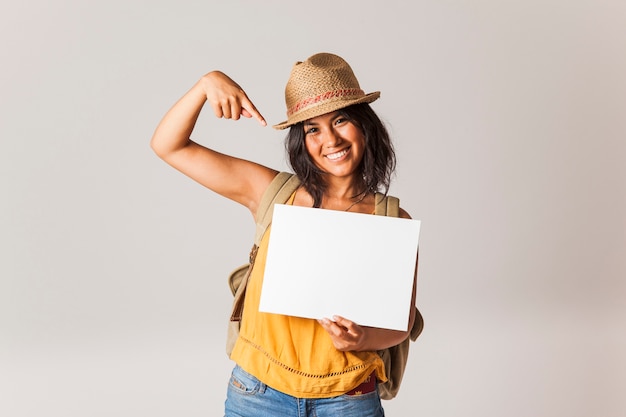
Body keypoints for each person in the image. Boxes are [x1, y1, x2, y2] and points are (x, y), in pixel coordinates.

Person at [151, 52, 419, 417]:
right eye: (313, 129)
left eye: (341, 120)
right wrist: (205, 84)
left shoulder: (393, 218)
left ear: (365, 126)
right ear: (301, 140)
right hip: (258, 394)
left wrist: (362, 338)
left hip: (349, 398)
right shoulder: (271, 193)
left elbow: (399, 324)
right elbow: (169, 145)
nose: (330, 139)